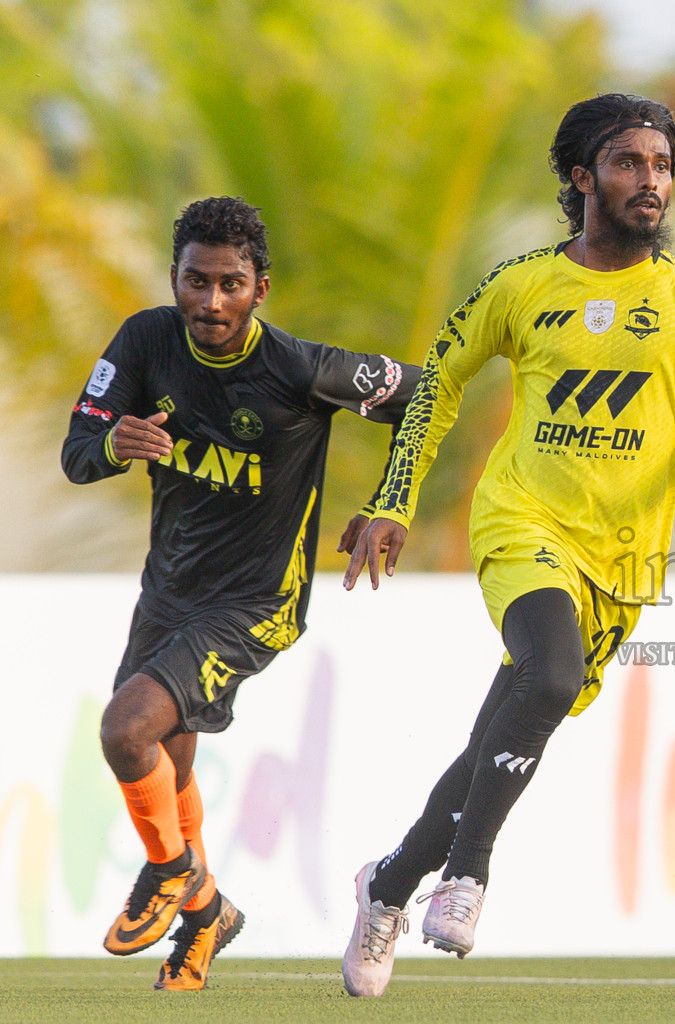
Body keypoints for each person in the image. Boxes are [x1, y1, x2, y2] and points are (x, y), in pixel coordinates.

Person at [338, 93, 675, 998]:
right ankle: (468, 874)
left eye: (661, 166)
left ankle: (392, 881)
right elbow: (437, 386)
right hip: (522, 520)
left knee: (510, 720)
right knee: (552, 678)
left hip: (625, 559)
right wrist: (393, 502)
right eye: (628, 163)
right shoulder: (520, 285)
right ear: (582, 178)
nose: (650, 181)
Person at [62, 196, 420, 990]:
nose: (211, 302)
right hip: (170, 589)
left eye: (230, 284)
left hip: (257, 599)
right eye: (196, 282)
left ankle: (171, 874)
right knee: (166, 756)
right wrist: (114, 443)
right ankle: (206, 916)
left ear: (262, 288)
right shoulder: (145, 340)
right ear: (175, 279)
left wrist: (391, 503)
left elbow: (423, 399)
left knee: (127, 732)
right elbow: (77, 452)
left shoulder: (301, 369)